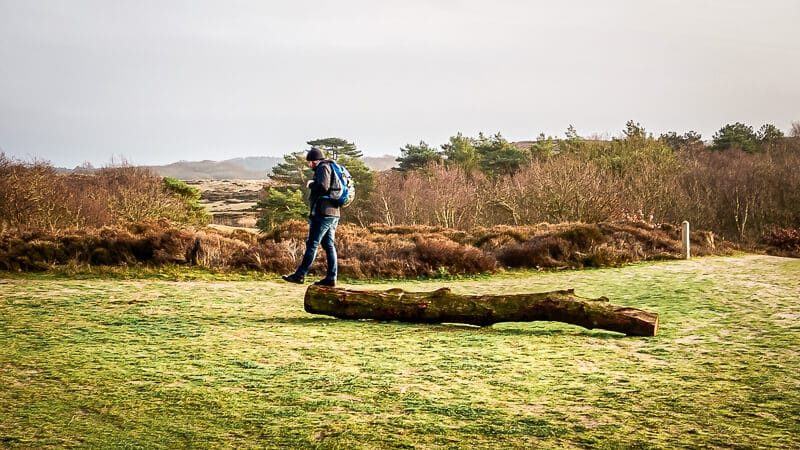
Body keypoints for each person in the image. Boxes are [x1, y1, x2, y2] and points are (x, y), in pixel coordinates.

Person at [282, 147, 340, 286]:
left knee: (312, 244)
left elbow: (323, 187)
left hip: (322, 212)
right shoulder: (331, 166)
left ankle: (300, 275)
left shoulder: (322, 167)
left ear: (314, 161)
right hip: (333, 213)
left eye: (310, 162)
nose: (309, 165)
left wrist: (311, 183)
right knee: (328, 245)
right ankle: (331, 278)